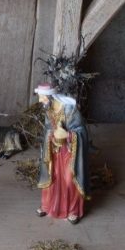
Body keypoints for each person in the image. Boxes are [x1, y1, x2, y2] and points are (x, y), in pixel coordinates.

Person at [34, 83, 91, 224]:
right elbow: (48, 129)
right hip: (54, 150)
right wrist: (51, 136)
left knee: (69, 179)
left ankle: (73, 210)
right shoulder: (49, 110)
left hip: (70, 152)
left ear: (50, 96)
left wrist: (68, 135)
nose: (40, 100)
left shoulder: (70, 109)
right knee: (52, 176)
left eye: (42, 97)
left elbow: (81, 131)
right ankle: (48, 205)